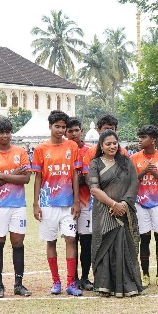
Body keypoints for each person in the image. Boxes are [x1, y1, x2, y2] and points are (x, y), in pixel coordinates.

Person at [31, 110, 84, 296]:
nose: (61, 130)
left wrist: (76, 201)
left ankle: (71, 283)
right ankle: (56, 282)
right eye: (57, 126)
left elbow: (75, 175)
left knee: (70, 239)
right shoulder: (40, 149)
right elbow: (38, 178)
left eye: (63, 127)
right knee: (51, 241)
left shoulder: (72, 146)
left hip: (68, 204)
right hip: (48, 204)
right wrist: (36, 203)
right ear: (50, 127)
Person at [87, 129, 143, 297]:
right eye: (108, 144)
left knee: (123, 247)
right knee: (104, 247)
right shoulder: (95, 163)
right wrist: (113, 204)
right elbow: (94, 189)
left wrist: (123, 204)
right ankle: (104, 285)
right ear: (101, 146)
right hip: (104, 211)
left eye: (114, 143)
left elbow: (133, 183)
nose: (112, 146)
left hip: (124, 211)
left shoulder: (126, 161)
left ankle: (127, 285)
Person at [0, 118, 32, 297]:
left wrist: (1, 175)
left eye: (8, 132)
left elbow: (25, 179)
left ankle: (18, 284)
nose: (5, 136)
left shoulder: (21, 152)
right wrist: (13, 174)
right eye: (1, 132)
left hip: (18, 205)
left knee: (18, 243)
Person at [133, 124, 158, 286]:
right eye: (140, 137)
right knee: (144, 239)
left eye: (144, 137)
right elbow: (130, 182)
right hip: (140, 204)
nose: (140, 140)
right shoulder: (134, 158)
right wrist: (143, 171)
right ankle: (145, 274)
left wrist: (154, 173)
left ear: (153, 140)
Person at [66, 117, 98, 289]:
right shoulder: (62, 150)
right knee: (71, 240)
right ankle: (74, 278)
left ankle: (85, 277)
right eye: (69, 131)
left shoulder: (89, 151)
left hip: (86, 203)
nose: (73, 134)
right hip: (67, 203)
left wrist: (80, 180)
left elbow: (92, 177)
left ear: (81, 131)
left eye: (76, 130)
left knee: (86, 241)